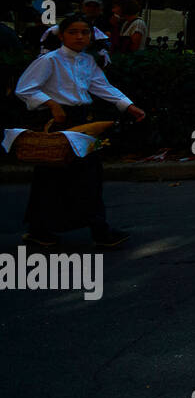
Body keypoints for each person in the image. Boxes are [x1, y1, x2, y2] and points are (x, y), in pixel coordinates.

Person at [13, 13, 147, 248]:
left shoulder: (88, 61)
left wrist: (128, 106)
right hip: (58, 122)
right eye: (73, 32)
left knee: (88, 174)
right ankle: (44, 229)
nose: (79, 37)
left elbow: (102, 87)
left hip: (83, 121)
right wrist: (52, 104)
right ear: (62, 35)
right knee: (52, 177)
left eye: (84, 32)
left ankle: (96, 227)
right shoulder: (49, 61)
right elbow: (25, 88)